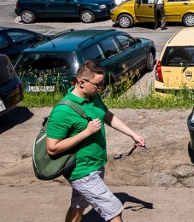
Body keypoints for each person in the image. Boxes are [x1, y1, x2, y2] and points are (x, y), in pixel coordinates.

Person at [46, 60, 145, 222]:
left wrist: (132, 134)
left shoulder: (93, 97)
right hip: (82, 170)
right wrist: (86, 132)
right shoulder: (63, 111)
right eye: (98, 84)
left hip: (95, 165)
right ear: (82, 83)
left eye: (102, 83)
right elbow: (52, 148)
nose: (101, 88)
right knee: (114, 209)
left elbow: (107, 115)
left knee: (78, 205)